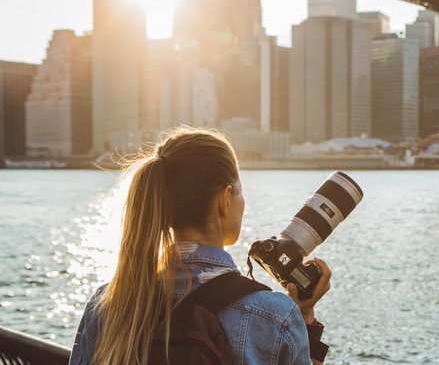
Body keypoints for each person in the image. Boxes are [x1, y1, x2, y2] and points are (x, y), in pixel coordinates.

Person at [69, 127, 331, 364]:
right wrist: (305, 315)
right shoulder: (273, 316)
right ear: (225, 199)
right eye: (239, 191)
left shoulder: (108, 304)